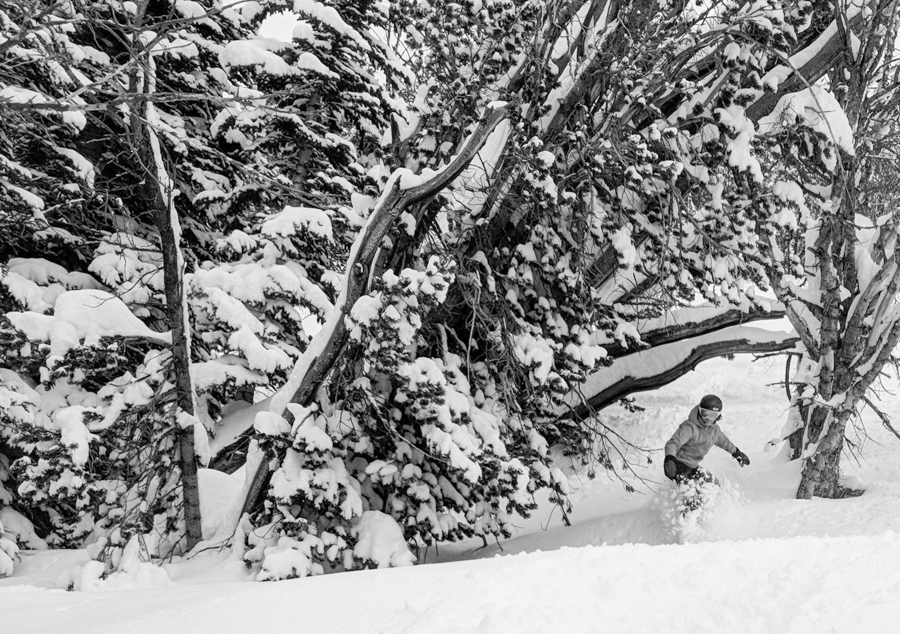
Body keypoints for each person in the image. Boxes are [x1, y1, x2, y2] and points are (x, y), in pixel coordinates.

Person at [663, 394, 750, 484]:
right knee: (693, 490)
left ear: (718, 416)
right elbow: (673, 443)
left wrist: (736, 452)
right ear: (700, 411)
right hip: (678, 465)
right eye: (705, 414)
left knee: (713, 484)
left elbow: (724, 442)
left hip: (693, 466)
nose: (708, 418)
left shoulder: (714, 430)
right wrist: (670, 459)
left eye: (712, 415)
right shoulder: (689, 427)